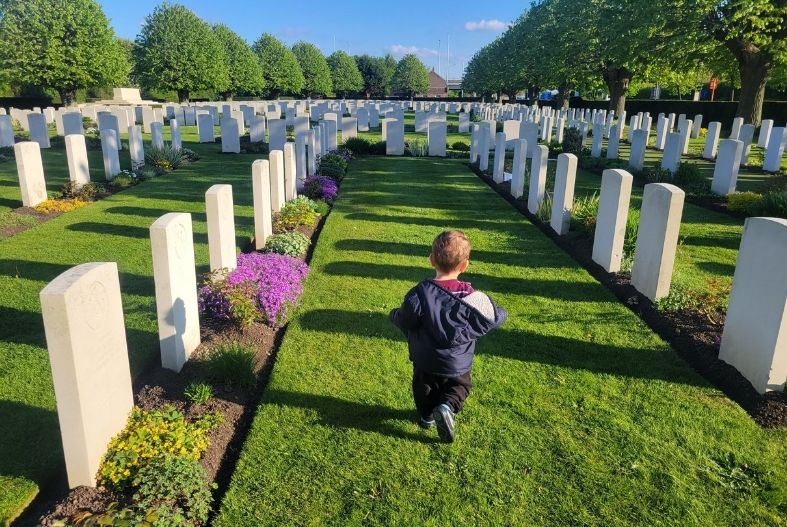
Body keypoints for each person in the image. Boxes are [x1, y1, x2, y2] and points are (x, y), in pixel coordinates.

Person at [389, 230, 507, 442]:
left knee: (423, 388)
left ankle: (427, 416)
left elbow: (406, 318)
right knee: (459, 387)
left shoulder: (420, 294)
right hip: (458, 362)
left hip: (425, 359)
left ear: (431, 260)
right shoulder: (471, 298)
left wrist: (394, 315)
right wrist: (501, 314)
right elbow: (492, 316)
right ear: (464, 266)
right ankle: (447, 406)